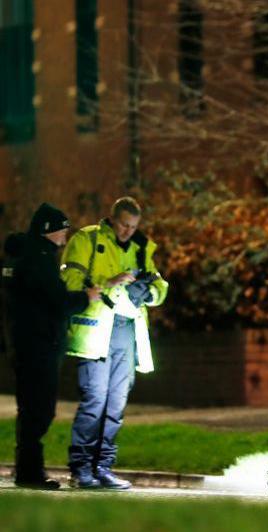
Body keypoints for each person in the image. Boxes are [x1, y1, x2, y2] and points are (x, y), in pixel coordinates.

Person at [60, 196, 168, 490]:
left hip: (126, 331)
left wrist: (147, 293)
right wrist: (110, 281)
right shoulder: (88, 238)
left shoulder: (142, 247)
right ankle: (81, 469)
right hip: (97, 330)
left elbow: (160, 285)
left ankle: (103, 467)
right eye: (123, 225)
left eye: (133, 227)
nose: (127, 232)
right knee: (94, 400)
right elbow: (69, 278)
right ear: (112, 219)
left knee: (116, 403)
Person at [2, 203, 100, 489]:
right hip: (39, 346)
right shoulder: (39, 259)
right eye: (62, 230)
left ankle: (27, 469)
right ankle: (30, 473)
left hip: (23, 343)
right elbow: (56, 302)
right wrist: (86, 297)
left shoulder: (18, 256)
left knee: (30, 408)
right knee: (40, 410)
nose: (65, 236)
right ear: (48, 231)